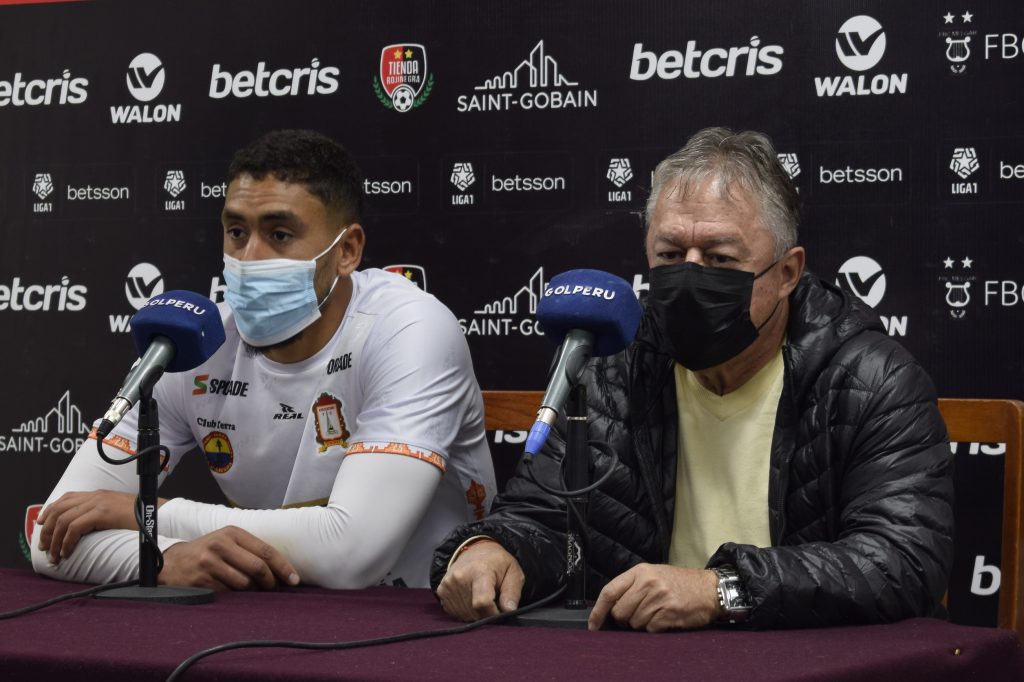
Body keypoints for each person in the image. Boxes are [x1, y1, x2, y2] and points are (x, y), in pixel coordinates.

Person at [432, 127, 954, 630]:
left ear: (788, 273)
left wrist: (720, 591)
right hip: (640, 667)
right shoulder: (613, 365)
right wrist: (491, 548)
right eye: (670, 255)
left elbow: (899, 561)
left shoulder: (872, 382)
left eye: (721, 259)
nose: (689, 277)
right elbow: (541, 518)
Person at [32, 129, 495, 591]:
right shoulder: (194, 344)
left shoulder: (409, 329)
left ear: (347, 251)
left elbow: (350, 553)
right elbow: (47, 535)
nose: (249, 258)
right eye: (236, 232)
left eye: (279, 234)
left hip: (420, 623)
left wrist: (148, 515)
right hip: (269, 616)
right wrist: (161, 558)